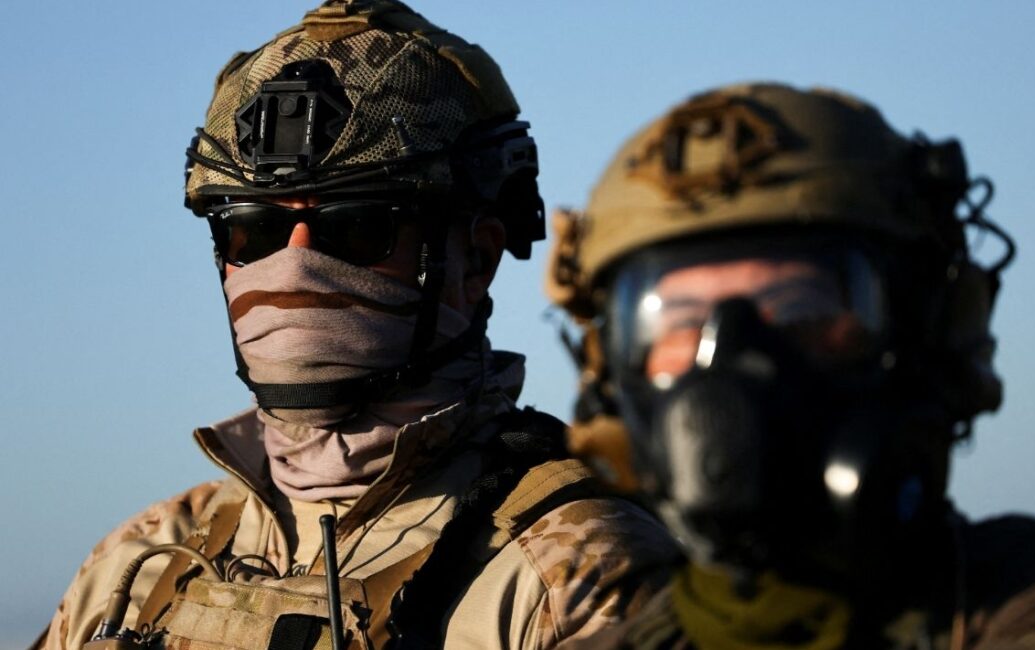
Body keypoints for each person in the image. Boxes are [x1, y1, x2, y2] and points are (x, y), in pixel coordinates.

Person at [34, 2, 678, 649]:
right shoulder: (140, 562)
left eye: (357, 228)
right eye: (251, 231)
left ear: (474, 261)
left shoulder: (582, 577)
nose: (293, 268)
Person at [545, 82, 1035, 649]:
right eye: (680, 322)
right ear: (609, 374)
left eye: (797, 312)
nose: (729, 366)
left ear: (931, 332)